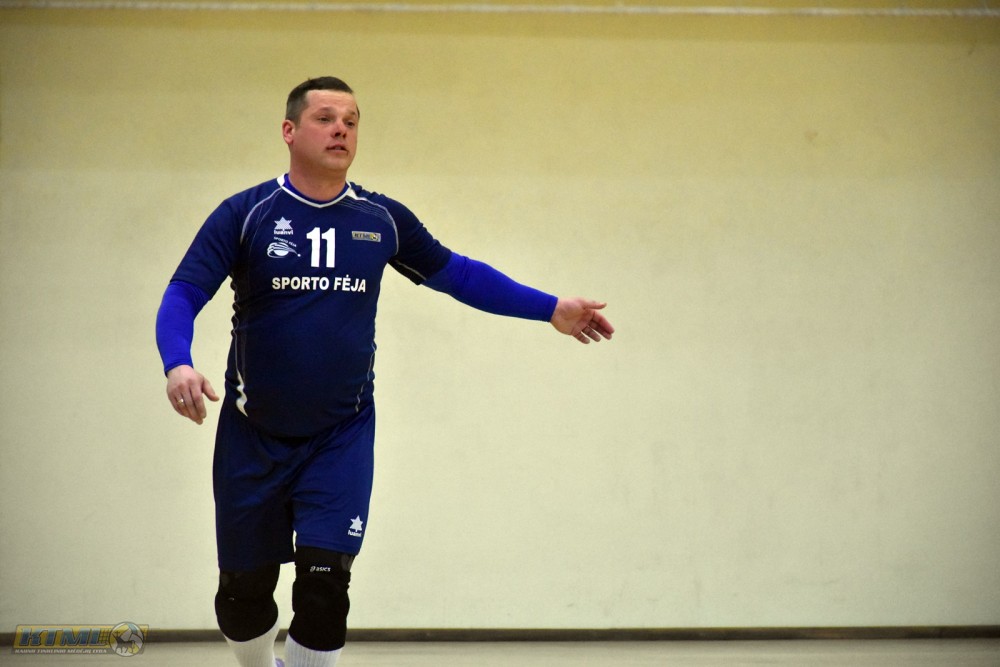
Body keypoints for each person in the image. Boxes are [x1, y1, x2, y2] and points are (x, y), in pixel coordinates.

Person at [155, 76, 614, 667]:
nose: (340, 129)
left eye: (351, 120)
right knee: (242, 598)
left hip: (339, 436)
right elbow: (184, 291)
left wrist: (550, 308)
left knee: (325, 590)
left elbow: (459, 274)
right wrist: (178, 363)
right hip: (253, 435)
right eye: (325, 118)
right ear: (289, 131)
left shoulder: (381, 218)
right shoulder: (246, 214)